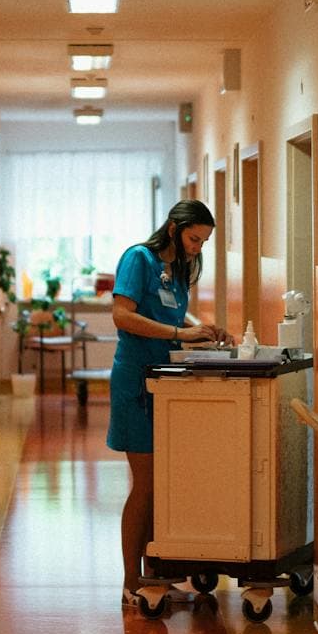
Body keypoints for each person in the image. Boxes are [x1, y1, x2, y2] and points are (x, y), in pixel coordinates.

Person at [107, 199, 231, 607]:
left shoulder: (176, 269)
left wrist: (203, 330)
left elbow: (175, 318)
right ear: (175, 228)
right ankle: (131, 579)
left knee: (162, 482)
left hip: (165, 384)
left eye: (205, 241)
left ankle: (155, 569)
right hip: (136, 383)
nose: (198, 247)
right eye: (194, 238)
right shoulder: (138, 259)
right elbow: (123, 316)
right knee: (145, 484)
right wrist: (180, 333)